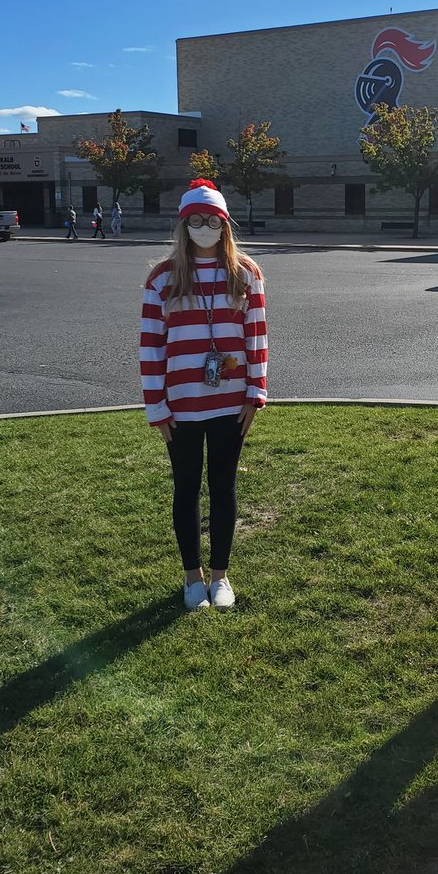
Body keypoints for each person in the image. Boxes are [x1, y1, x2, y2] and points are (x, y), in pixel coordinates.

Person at [140, 179, 267, 612]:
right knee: (186, 487)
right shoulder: (162, 278)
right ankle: (192, 576)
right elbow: (151, 346)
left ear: (224, 223)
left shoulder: (245, 273)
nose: (204, 227)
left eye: (212, 220)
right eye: (195, 220)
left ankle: (220, 576)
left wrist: (256, 392)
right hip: (181, 405)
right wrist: (156, 406)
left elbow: (257, 336)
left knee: (224, 486)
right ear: (182, 224)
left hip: (231, 403)